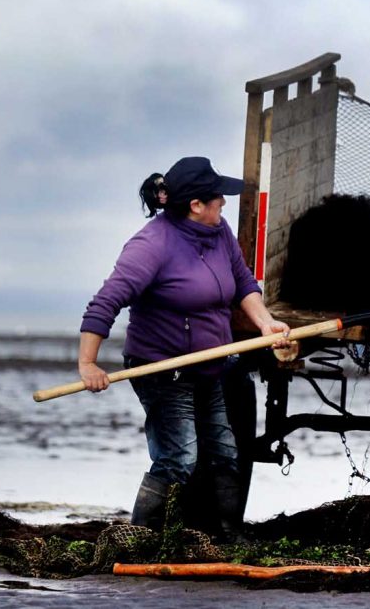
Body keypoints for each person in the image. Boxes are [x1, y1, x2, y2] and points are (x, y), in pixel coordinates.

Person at [78, 156, 290, 540]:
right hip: (162, 369)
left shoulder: (218, 232)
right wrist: (88, 363)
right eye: (217, 197)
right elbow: (105, 302)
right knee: (179, 458)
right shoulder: (152, 245)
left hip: (209, 365)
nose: (223, 203)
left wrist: (266, 323)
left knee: (225, 451)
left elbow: (243, 283)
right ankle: (138, 538)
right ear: (195, 205)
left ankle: (229, 537)